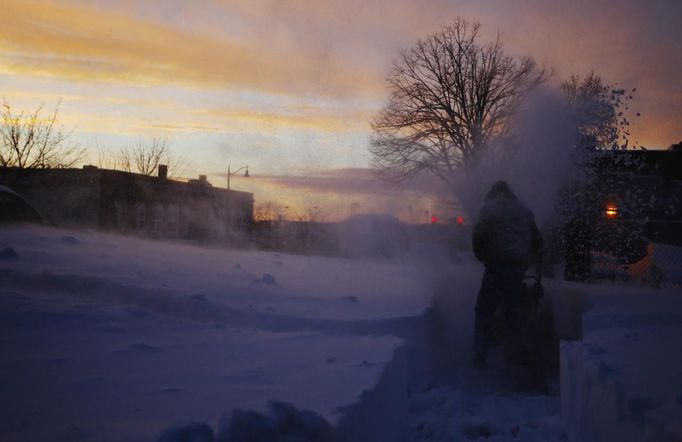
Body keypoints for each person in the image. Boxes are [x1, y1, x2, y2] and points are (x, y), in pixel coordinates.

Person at [471, 181, 543, 369]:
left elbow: (478, 235)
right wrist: (531, 260)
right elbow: (537, 241)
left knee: (484, 310)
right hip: (517, 268)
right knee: (514, 311)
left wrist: (482, 255)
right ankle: (518, 353)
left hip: (495, 267)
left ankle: (479, 353)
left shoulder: (490, 209)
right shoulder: (524, 211)